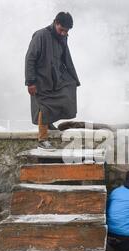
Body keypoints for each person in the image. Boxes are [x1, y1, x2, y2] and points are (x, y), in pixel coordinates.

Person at [25, 12, 80, 150]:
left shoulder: (63, 37)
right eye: (61, 29)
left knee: (67, 92)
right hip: (41, 80)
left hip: (56, 78)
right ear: (55, 22)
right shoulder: (40, 35)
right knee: (44, 106)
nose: (63, 33)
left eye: (66, 31)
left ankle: (48, 123)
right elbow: (30, 58)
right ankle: (42, 139)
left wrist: (72, 77)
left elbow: (65, 57)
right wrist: (30, 82)